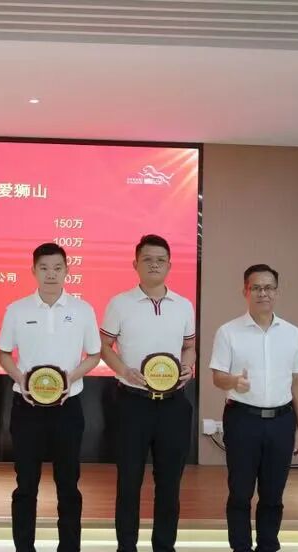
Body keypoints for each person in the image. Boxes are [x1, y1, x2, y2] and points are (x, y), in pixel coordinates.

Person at [0, 242, 101, 552]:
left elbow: (94, 355)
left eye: (57, 268)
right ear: (33, 271)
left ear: (67, 270)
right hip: (26, 407)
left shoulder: (83, 310)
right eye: (44, 268)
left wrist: (69, 378)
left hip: (67, 408)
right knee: (25, 485)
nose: (51, 274)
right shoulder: (17, 310)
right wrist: (22, 380)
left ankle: (68, 547)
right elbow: (4, 354)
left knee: (68, 484)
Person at [100, 234, 196, 552]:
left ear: (169, 265)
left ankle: (164, 546)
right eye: (148, 259)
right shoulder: (120, 304)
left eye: (160, 260)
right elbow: (104, 345)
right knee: (129, 482)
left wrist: (188, 365)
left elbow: (189, 346)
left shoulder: (183, 305)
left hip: (173, 406)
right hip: (132, 404)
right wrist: (123, 370)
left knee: (169, 484)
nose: (154, 265)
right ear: (135, 264)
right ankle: (126, 546)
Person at [210, 264, 298, 552]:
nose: (263, 293)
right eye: (256, 288)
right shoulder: (228, 332)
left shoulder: (292, 333)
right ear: (245, 291)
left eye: (268, 288)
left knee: (273, 494)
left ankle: (268, 545)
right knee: (240, 493)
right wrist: (234, 381)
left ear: (277, 292)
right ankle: (240, 547)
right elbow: (217, 377)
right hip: (243, 419)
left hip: (282, 421)